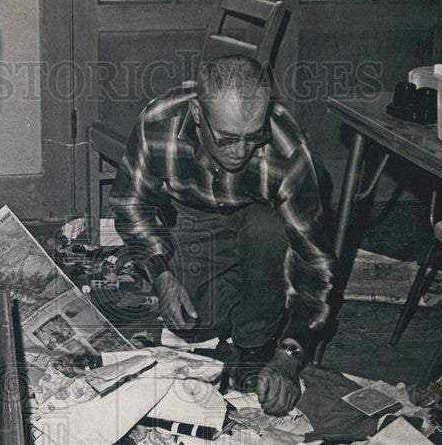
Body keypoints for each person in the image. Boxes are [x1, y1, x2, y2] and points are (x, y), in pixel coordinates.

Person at [108, 53, 336, 416]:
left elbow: (315, 263)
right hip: (188, 213)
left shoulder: (288, 153)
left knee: (266, 226)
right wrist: (163, 277)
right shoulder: (158, 123)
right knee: (196, 327)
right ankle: (228, 303)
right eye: (228, 139)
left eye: (253, 137)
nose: (242, 152)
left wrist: (290, 353)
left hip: (255, 218)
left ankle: (256, 339)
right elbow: (131, 205)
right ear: (198, 113)